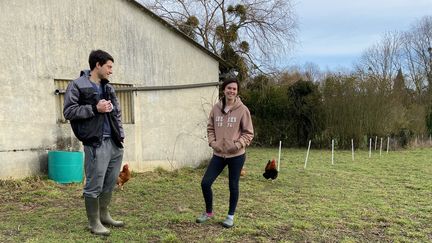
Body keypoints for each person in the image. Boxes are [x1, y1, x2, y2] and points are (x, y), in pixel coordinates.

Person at [63, 50, 125, 236]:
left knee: (109, 182)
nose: (111, 71)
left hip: (114, 142)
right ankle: (93, 222)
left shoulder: (108, 87)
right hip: (95, 143)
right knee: (94, 184)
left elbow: (117, 113)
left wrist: (120, 135)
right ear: (97, 65)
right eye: (109, 66)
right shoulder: (77, 85)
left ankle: (104, 215)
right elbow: (69, 111)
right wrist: (94, 108)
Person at [196, 78, 254, 228]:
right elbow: (210, 128)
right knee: (205, 183)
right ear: (224, 90)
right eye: (229, 88)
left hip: (236, 155)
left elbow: (248, 133)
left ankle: (230, 216)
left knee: (233, 185)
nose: (231, 91)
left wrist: (237, 145)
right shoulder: (216, 108)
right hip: (218, 154)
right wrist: (212, 142)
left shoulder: (243, 110)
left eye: (234, 89)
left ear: (237, 91)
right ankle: (208, 213)